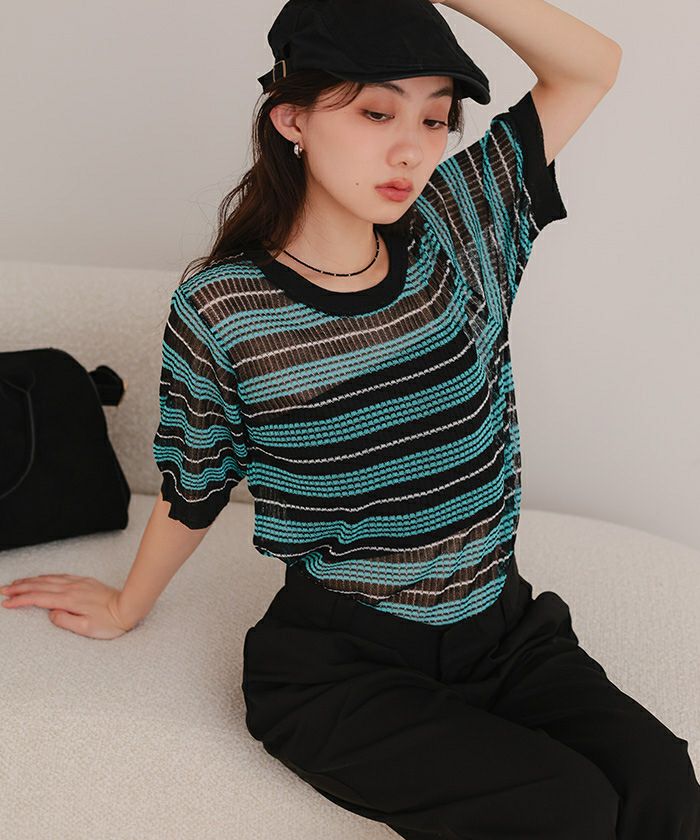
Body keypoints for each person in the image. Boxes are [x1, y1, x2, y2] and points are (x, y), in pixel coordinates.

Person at [2, 0, 698, 837]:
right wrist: (126, 606)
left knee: (665, 785)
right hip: (344, 664)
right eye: (376, 112)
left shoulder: (459, 225)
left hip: (505, 630)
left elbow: (590, 67)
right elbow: (197, 480)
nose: (412, 148)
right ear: (292, 118)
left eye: (435, 118)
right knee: (570, 809)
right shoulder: (224, 306)